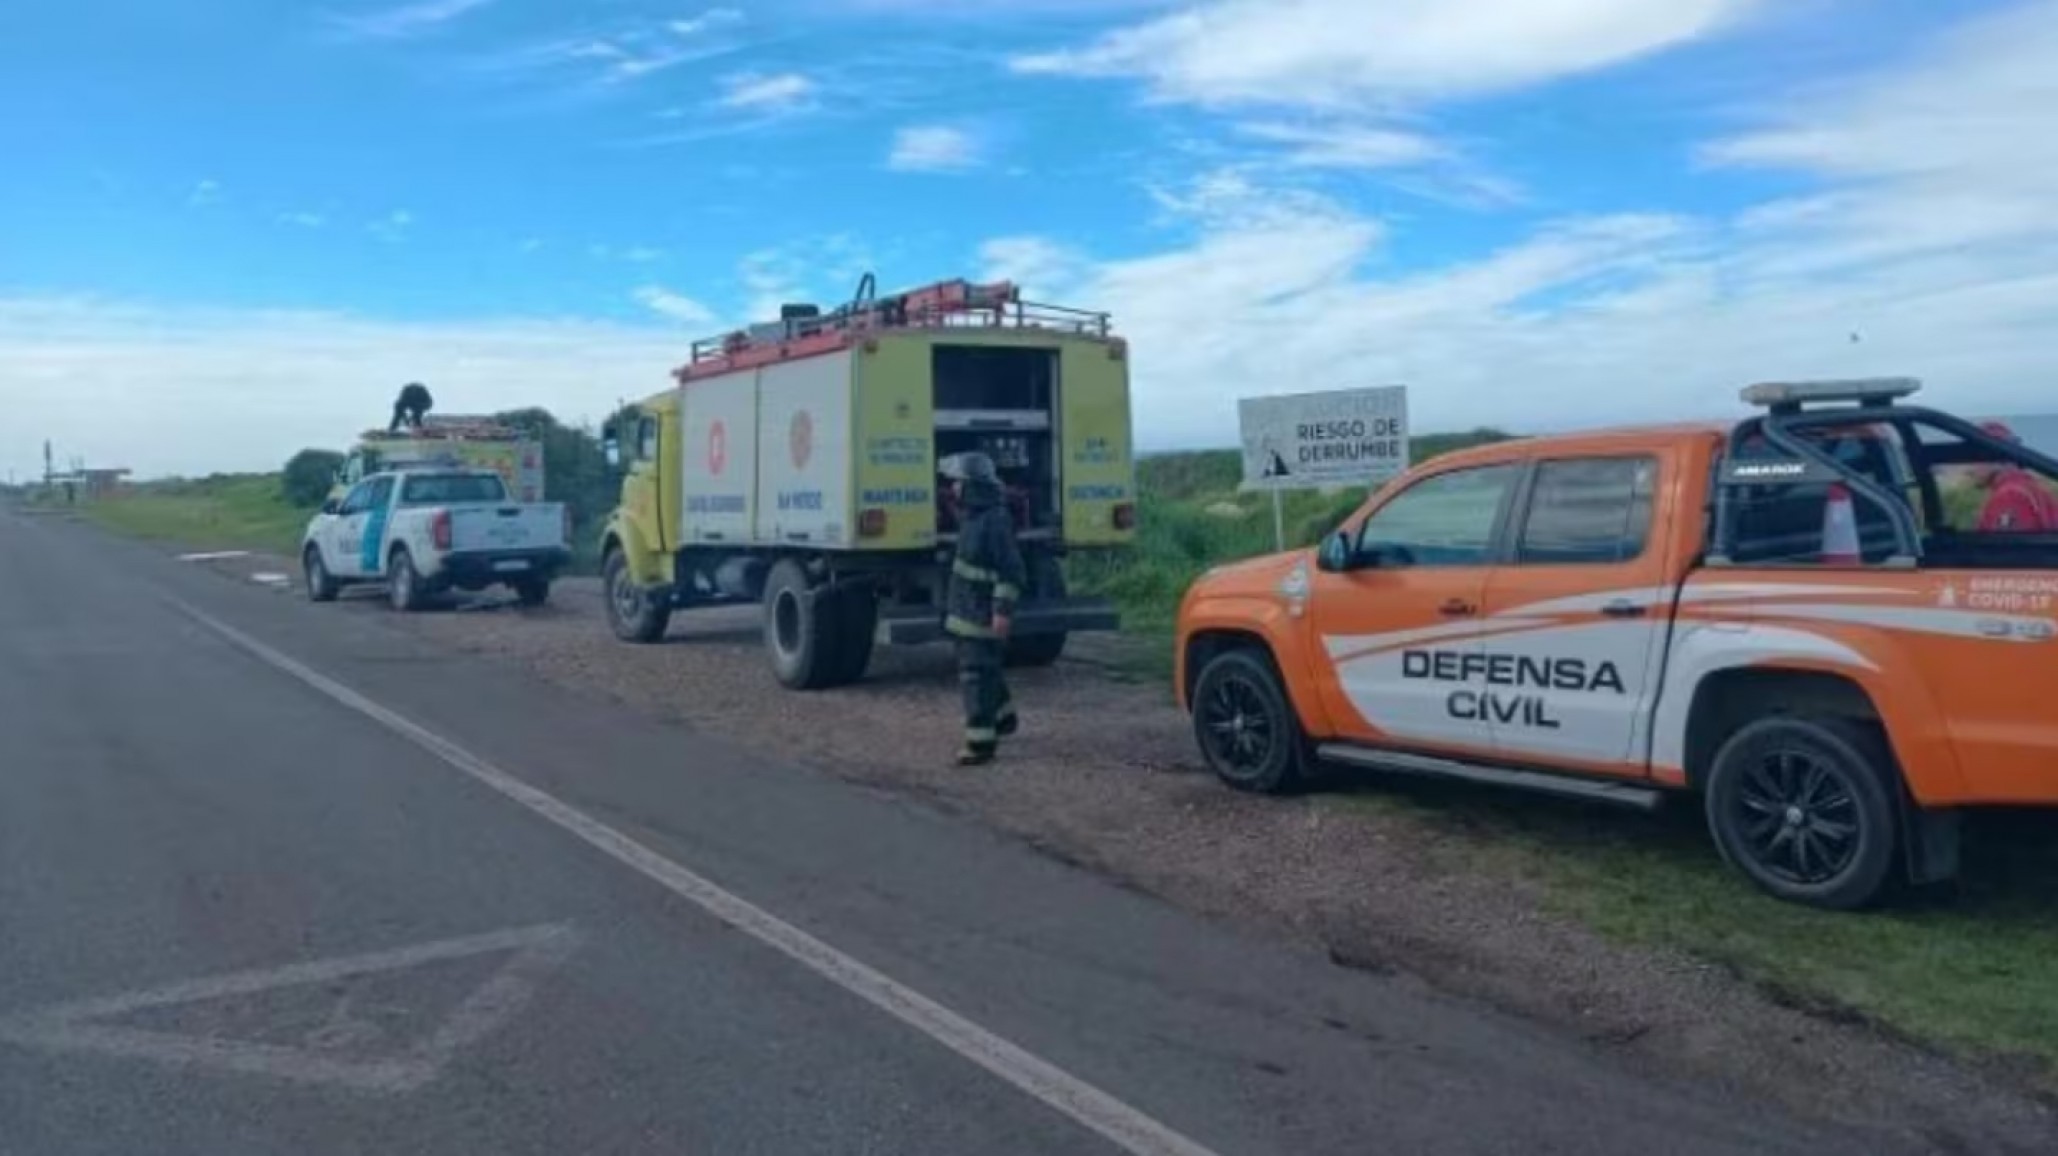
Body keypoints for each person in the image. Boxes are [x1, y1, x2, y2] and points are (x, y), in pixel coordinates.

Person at [941, 451, 1026, 767]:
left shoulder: (993, 522)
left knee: (975, 676)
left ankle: (980, 745)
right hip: (966, 615)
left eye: (958, 484)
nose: (953, 489)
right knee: (985, 670)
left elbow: (1012, 571)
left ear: (972, 487)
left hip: (980, 617)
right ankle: (1003, 718)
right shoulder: (975, 516)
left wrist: (1002, 610)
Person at [1973, 421, 2058, 533]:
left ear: (1994, 457)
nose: (1971, 468)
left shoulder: (2009, 496)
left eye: (1975, 458)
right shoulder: (2032, 488)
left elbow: (2008, 549)